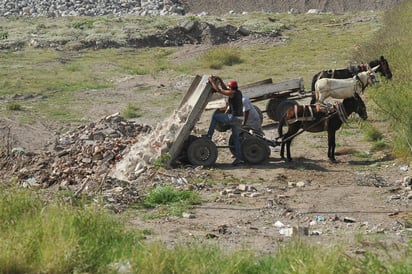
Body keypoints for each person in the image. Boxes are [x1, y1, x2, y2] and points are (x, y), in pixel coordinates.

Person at [206, 75, 244, 166]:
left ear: (231, 88)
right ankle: (239, 158)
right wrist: (220, 79)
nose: (228, 88)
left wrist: (212, 81)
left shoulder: (232, 93)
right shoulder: (238, 92)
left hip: (234, 118)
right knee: (236, 138)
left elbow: (219, 90)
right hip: (239, 118)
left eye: (229, 87)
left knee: (215, 117)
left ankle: (209, 136)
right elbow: (224, 88)